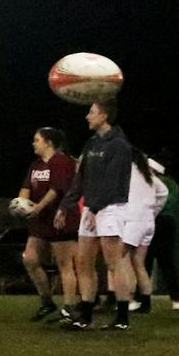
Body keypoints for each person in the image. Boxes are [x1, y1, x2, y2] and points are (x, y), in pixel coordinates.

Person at [56, 97, 134, 331]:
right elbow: (80, 179)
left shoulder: (119, 145)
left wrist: (96, 208)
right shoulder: (91, 144)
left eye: (92, 112)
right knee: (83, 262)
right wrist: (65, 206)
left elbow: (112, 183)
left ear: (104, 116)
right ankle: (86, 316)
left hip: (110, 208)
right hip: (92, 208)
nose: (87, 116)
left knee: (113, 262)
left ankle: (122, 318)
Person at [16, 127, 79, 322]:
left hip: (60, 218)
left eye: (37, 140)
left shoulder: (62, 162)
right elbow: (26, 188)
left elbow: (57, 189)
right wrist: (21, 204)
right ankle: (47, 301)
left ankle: (69, 307)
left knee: (64, 264)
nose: (33, 143)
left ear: (48, 142)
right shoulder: (35, 165)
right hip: (40, 221)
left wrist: (39, 207)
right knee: (30, 259)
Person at [125, 150, 169, 315]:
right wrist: (153, 211)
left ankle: (127, 300)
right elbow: (164, 193)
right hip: (148, 222)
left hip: (133, 222)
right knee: (139, 263)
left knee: (124, 261)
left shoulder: (130, 173)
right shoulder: (151, 178)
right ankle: (145, 303)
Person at [145, 152, 179, 310]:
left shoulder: (153, 183)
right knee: (167, 262)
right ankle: (176, 299)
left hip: (156, 220)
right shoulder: (173, 184)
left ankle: (142, 298)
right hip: (169, 222)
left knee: (145, 261)